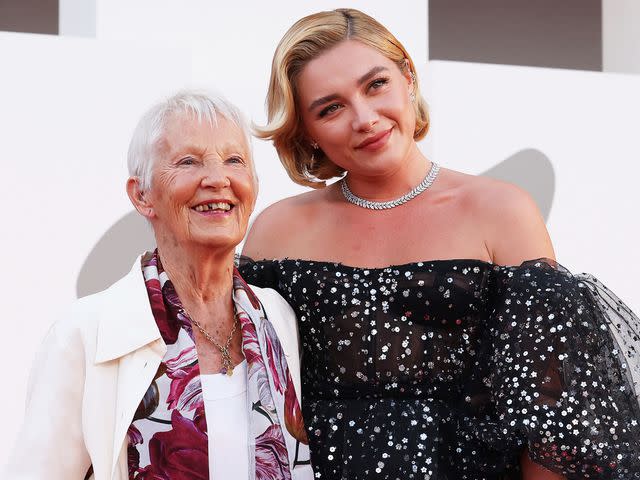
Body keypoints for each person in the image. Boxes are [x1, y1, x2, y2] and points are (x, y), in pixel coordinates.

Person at [239, 8, 640, 480]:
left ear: (408, 76)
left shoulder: (501, 212)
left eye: (376, 85)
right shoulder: (276, 231)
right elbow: (245, 399)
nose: (364, 118)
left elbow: (549, 422)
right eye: (331, 108)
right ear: (307, 130)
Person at [4, 91, 312, 480]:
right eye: (188, 162)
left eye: (234, 161)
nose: (218, 179)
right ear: (142, 195)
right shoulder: (85, 333)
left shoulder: (277, 316)